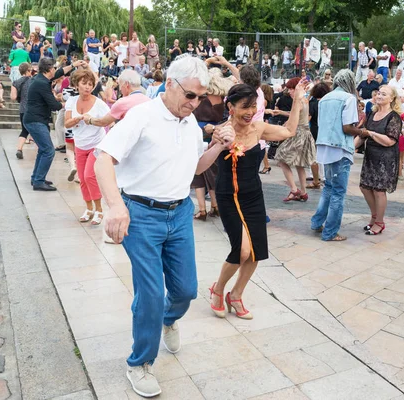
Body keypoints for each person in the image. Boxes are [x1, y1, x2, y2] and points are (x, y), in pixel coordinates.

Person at [94, 55, 234, 397]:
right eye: (190, 95)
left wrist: (217, 145)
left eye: (200, 97)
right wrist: (115, 206)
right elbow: (103, 160)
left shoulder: (188, 123)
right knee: (151, 294)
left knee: (186, 290)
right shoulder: (141, 116)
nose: (195, 103)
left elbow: (194, 168)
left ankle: (168, 319)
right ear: (170, 83)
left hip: (180, 213)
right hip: (140, 215)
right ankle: (139, 363)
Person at [207, 81, 304, 321]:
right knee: (241, 250)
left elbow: (289, 131)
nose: (250, 112)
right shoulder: (223, 131)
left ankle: (236, 295)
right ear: (230, 106)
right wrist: (213, 133)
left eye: (253, 106)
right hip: (228, 196)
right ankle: (218, 288)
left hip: (253, 196)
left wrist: (299, 102)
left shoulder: (258, 129)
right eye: (244, 107)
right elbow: (207, 159)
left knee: (256, 252)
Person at [311, 69, 368, 241]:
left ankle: (317, 223)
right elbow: (347, 128)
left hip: (324, 146)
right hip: (339, 147)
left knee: (329, 187)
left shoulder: (325, 98)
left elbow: (322, 124)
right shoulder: (349, 98)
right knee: (338, 191)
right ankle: (330, 232)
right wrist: (362, 132)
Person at [23, 58, 82, 191]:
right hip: (35, 120)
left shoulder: (41, 78)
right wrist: (70, 105)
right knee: (49, 150)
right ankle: (38, 181)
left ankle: (37, 177)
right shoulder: (41, 84)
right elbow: (54, 105)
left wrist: (73, 65)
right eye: (54, 68)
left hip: (35, 119)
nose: (55, 70)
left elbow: (59, 73)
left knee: (43, 150)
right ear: (49, 69)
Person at [64, 69, 109, 224]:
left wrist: (94, 121)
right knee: (82, 178)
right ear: (77, 84)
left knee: (90, 176)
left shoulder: (99, 103)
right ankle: (89, 208)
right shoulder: (71, 101)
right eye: (84, 83)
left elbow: (109, 120)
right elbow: (67, 122)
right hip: (80, 144)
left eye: (90, 84)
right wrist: (79, 119)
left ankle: (99, 210)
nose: (87, 87)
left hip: (96, 144)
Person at [356, 85, 402, 235]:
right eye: (379, 93)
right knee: (365, 187)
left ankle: (379, 222)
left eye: (384, 94)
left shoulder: (394, 116)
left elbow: (390, 141)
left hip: (385, 158)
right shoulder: (372, 113)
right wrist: (349, 149)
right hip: (370, 155)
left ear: (392, 98)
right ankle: (374, 216)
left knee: (379, 190)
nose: (380, 96)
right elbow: (362, 135)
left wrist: (371, 133)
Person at [190, 67, 232, 221]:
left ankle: (202, 210)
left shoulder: (203, 97)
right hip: (216, 132)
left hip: (200, 131)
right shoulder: (222, 97)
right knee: (212, 171)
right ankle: (215, 206)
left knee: (198, 173)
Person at [273, 77, 315, 201]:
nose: (290, 92)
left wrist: (283, 125)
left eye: (291, 89)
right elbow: (294, 114)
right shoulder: (304, 100)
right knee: (299, 164)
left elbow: (293, 118)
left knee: (281, 158)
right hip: (305, 133)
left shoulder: (299, 101)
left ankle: (294, 189)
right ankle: (303, 192)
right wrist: (280, 112)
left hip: (298, 134)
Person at [307, 83, 330, 189]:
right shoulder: (329, 102)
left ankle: (316, 178)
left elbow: (308, 118)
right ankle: (325, 176)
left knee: (314, 156)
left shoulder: (313, 103)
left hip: (315, 130)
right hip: (327, 131)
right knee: (325, 155)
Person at [11, 62, 33, 159]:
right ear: (28, 71)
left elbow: (13, 97)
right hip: (33, 109)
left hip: (23, 109)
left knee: (24, 130)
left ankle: (19, 149)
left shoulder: (15, 82)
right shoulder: (33, 81)